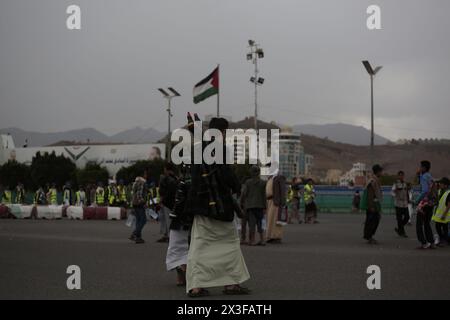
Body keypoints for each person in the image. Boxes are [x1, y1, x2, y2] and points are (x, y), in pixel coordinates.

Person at [186, 117, 250, 297]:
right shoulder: (220, 149)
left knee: (199, 245)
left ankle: (196, 286)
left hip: (199, 206)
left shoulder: (197, 149)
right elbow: (227, 176)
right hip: (220, 206)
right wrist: (237, 187)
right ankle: (231, 284)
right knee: (230, 244)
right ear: (223, 132)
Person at [240, 165, 267, 246]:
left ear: (251, 172)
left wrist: (241, 202)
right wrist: (265, 207)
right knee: (260, 223)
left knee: (252, 224)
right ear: (259, 172)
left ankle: (252, 240)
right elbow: (264, 195)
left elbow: (244, 193)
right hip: (260, 206)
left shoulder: (248, 182)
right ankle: (262, 240)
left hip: (250, 206)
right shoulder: (263, 183)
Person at [415, 160, 436, 249]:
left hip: (423, 204)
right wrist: (419, 175)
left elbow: (424, 191)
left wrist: (417, 200)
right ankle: (431, 242)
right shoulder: (430, 176)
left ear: (424, 167)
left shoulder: (424, 177)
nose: (419, 168)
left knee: (419, 224)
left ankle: (424, 243)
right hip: (430, 203)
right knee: (427, 223)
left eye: (420, 167)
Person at [158, 163, 178, 243]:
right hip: (173, 202)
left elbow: (163, 191)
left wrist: (162, 200)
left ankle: (169, 236)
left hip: (167, 202)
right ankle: (167, 235)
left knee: (167, 220)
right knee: (169, 219)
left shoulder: (166, 178)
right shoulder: (176, 178)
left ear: (166, 169)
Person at [363, 164, 383, 245]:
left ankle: (368, 236)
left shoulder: (375, 180)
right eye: (381, 171)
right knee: (372, 221)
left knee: (374, 220)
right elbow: (370, 194)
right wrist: (371, 206)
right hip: (372, 205)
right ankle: (369, 237)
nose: (381, 173)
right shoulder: (372, 181)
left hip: (375, 204)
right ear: (378, 172)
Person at [266, 165, 287, 243]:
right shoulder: (270, 178)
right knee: (270, 220)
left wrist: (283, 203)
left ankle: (276, 237)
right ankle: (270, 236)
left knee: (276, 220)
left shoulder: (279, 178)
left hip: (276, 202)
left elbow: (282, 191)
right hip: (269, 202)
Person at [129, 171, 148, 244]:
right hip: (139, 203)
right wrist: (143, 202)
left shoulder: (135, 182)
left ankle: (138, 238)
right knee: (143, 220)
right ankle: (135, 233)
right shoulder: (141, 182)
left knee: (138, 220)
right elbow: (139, 194)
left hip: (134, 203)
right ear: (143, 175)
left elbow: (133, 193)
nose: (147, 175)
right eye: (146, 174)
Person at [431, 177, 450, 246]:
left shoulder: (449, 192)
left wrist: (444, 214)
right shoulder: (439, 191)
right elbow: (437, 200)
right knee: (438, 226)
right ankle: (442, 239)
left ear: (446, 185)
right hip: (438, 214)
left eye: (441, 183)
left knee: (444, 228)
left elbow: (449, 205)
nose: (440, 184)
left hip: (445, 214)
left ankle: (445, 240)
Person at [391, 171, 409, 238]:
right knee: (399, 219)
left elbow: (406, 192)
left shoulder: (405, 183)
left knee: (407, 217)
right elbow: (392, 192)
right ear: (398, 176)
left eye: (402, 175)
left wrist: (408, 199)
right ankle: (402, 232)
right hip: (398, 203)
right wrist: (394, 194)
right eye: (400, 175)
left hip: (405, 203)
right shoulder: (396, 184)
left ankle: (399, 229)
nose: (401, 177)